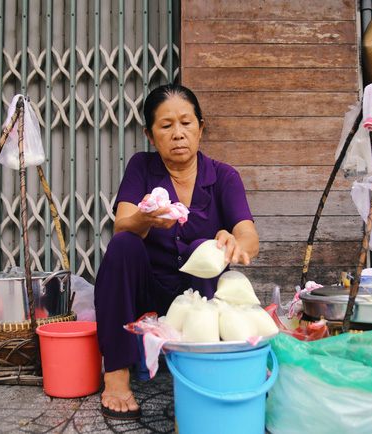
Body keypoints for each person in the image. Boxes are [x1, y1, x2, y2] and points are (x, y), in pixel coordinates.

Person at [94, 84, 259, 420]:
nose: (178, 134)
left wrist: (232, 242)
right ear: (150, 135)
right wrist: (144, 218)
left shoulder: (224, 176)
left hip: (199, 302)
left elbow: (248, 236)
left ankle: (204, 364)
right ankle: (116, 374)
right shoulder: (142, 167)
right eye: (166, 126)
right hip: (147, 298)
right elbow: (121, 226)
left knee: (205, 247)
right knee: (124, 244)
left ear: (201, 127)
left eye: (186, 123)